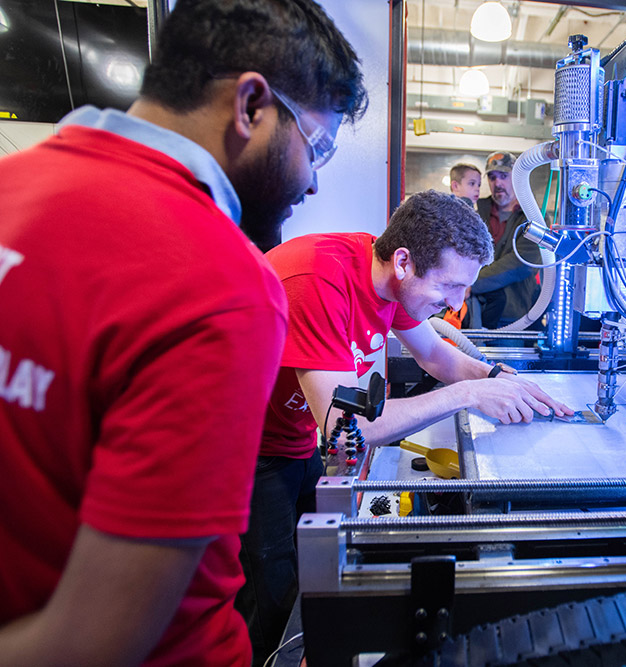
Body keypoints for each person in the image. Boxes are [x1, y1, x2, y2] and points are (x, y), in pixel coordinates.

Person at [0, 0, 365, 664]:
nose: (312, 184)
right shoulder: (218, 281)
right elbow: (96, 643)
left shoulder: (11, 185)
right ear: (251, 104)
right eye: (317, 149)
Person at [240, 189, 572, 661]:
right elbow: (345, 427)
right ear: (403, 261)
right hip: (244, 450)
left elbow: (436, 355)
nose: (454, 303)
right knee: (270, 594)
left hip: (293, 438)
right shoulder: (319, 280)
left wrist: (500, 379)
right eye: (448, 287)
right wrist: (469, 395)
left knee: (307, 578)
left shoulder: (387, 277)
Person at [471, 151, 545, 329]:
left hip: (511, 315)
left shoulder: (533, 217)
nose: (497, 183)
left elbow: (521, 264)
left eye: (503, 176)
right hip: (473, 311)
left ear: (517, 178)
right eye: (492, 177)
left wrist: (470, 283)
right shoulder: (475, 211)